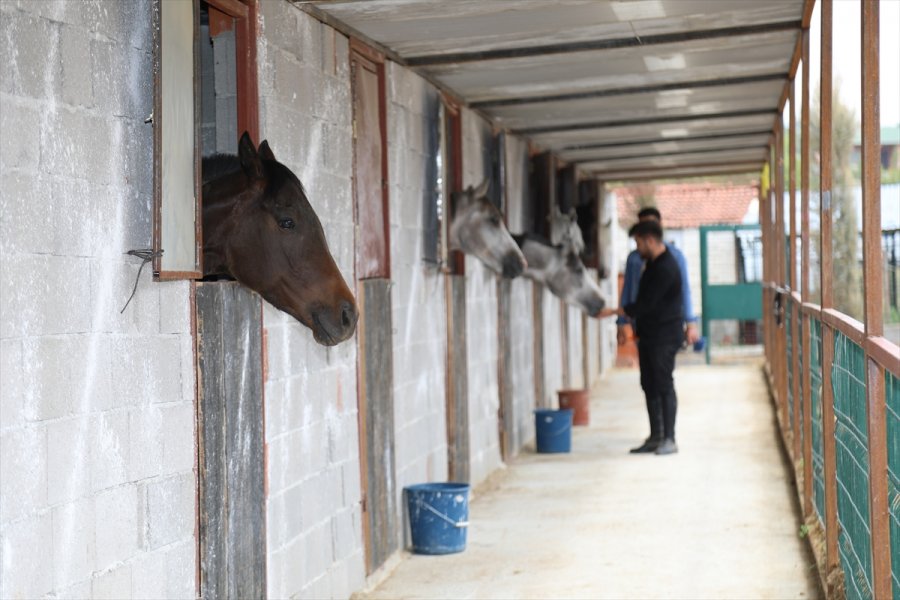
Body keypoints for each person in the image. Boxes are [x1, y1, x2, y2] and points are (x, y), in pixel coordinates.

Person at [598, 220, 684, 455]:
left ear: (649, 240)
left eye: (638, 242)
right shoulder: (653, 264)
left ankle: (669, 438)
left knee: (663, 383)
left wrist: (615, 312)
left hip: (664, 335)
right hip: (649, 334)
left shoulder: (666, 267)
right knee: (649, 384)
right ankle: (655, 436)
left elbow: (646, 304)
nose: (637, 248)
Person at [617, 207, 699, 348]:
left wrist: (690, 322)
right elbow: (628, 290)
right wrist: (622, 322)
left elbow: (684, 289)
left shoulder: (674, 257)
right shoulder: (635, 259)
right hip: (641, 322)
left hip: (665, 325)